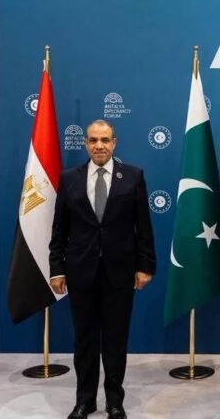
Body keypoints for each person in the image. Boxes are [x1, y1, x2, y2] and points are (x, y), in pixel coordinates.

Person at [48, 119, 156, 419]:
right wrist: (56, 269)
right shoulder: (69, 178)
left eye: (105, 140)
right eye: (93, 140)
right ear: (85, 144)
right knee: (84, 340)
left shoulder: (133, 176)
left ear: (114, 143)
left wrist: (145, 265)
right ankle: (85, 401)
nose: (99, 145)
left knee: (115, 341)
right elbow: (59, 229)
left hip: (119, 272)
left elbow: (144, 227)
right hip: (80, 273)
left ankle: (114, 401)